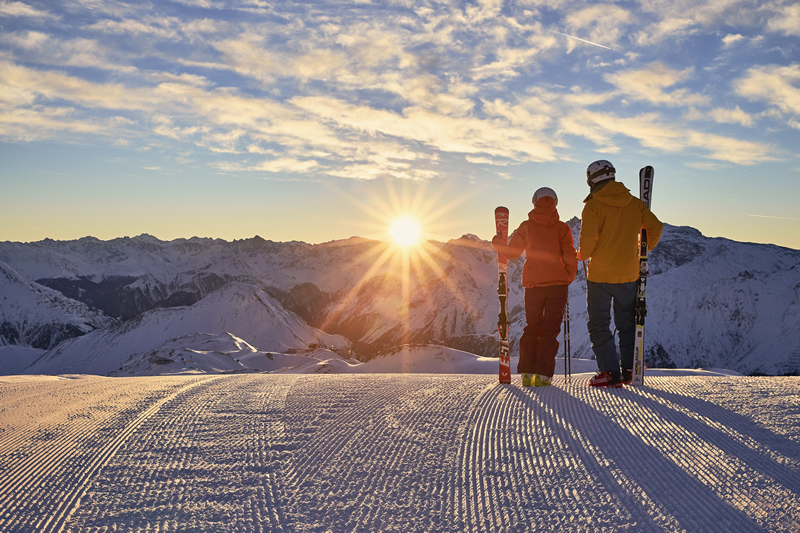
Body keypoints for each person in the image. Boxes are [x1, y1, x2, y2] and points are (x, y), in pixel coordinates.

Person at [578, 160, 663, 387]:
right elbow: (656, 227)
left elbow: (586, 244)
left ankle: (608, 372)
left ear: (591, 180)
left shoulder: (593, 206)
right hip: (629, 273)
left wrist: (579, 255)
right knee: (627, 323)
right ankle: (628, 370)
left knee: (599, 323)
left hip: (599, 276)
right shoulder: (635, 204)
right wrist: (641, 251)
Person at [492, 187, 578, 387]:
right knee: (550, 330)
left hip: (533, 285)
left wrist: (497, 243)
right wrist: (568, 277)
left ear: (534, 202)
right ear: (555, 203)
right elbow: (570, 256)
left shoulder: (526, 227)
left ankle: (526, 373)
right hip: (558, 285)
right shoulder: (562, 228)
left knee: (532, 327)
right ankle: (542, 376)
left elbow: (512, 252)